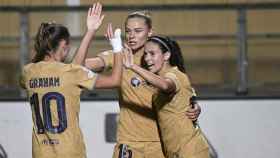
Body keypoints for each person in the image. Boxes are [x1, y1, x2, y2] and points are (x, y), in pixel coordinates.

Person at [72, 11, 201, 158]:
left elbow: (179, 83)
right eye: (128, 31)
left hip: (159, 144)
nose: (131, 35)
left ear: (150, 32)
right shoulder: (118, 55)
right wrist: (90, 31)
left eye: (138, 31)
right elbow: (76, 66)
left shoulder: (157, 59)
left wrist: (194, 102)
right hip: (129, 144)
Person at [19, 3, 124, 158]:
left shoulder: (27, 72)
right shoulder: (71, 73)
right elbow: (115, 80)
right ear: (62, 45)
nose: (68, 51)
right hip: (70, 152)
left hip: (40, 153)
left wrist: (90, 31)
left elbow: (72, 69)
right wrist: (117, 48)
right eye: (67, 47)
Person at [123, 35, 210, 158]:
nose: (147, 59)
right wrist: (194, 102)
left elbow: (166, 85)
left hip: (191, 151)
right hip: (175, 152)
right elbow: (186, 93)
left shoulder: (174, 75)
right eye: (146, 54)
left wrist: (133, 66)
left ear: (166, 55)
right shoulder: (159, 83)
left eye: (152, 54)